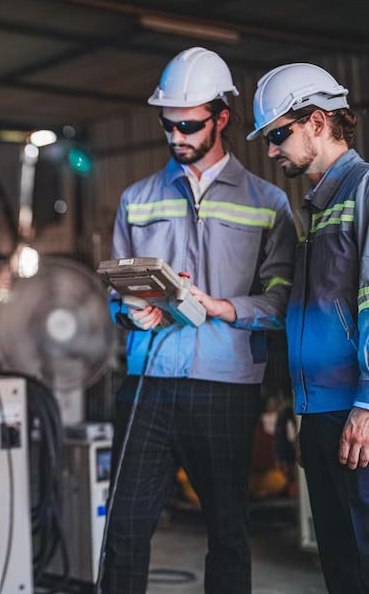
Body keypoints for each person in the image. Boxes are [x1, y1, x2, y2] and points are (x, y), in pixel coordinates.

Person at [103, 47, 297, 594]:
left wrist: (223, 308)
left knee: (229, 534)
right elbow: (117, 295)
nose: (176, 137)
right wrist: (130, 313)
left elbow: (282, 301)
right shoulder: (136, 200)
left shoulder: (269, 203)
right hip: (147, 383)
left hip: (225, 385)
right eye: (168, 125)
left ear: (222, 118)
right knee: (125, 530)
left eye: (189, 125)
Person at [248, 62, 369, 593]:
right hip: (323, 414)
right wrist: (307, 415)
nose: (271, 151)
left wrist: (367, 403)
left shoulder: (363, 191)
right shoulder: (317, 209)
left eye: (278, 136)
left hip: (357, 414)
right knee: (341, 568)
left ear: (318, 121)